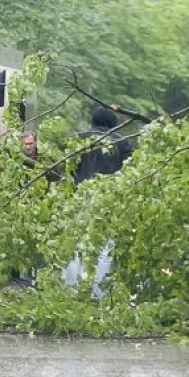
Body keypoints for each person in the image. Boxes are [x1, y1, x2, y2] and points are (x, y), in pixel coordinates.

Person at [64, 106, 133, 298]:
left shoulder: (78, 139)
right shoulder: (121, 142)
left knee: (76, 244)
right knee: (105, 247)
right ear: (112, 124)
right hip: (108, 200)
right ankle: (99, 292)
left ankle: (71, 288)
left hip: (79, 198)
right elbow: (129, 171)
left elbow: (67, 170)